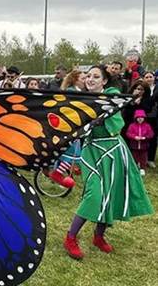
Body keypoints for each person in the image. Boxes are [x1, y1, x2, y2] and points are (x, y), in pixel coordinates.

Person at [63, 65, 153, 260]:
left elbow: (111, 106)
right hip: (91, 151)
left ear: (104, 81)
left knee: (110, 193)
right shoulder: (81, 101)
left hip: (113, 149)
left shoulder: (110, 95)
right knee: (94, 194)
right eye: (88, 76)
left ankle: (99, 236)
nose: (91, 79)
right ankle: (70, 237)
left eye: (96, 76)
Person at [126, 109, 154, 176]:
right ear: (135, 118)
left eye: (141, 117)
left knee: (143, 158)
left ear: (144, 118)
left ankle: (142, 169)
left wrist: (145, 137)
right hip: (134, 145)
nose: (140, 119)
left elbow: (151, 134)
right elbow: (128, 133)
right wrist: (134, 137)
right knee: (134, 157)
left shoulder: (147, 126)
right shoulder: (132, 126)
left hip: (144, 145)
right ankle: (135, 167)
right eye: (138, 117)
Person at [142, 71, 158, 168]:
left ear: (154, 78)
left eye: (150, 77)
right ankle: (142, 158)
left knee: (153, 138)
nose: (149, 79)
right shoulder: (142, 88)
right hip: (144, 116)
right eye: (146, 77)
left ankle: (150, 159)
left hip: (155, 117)